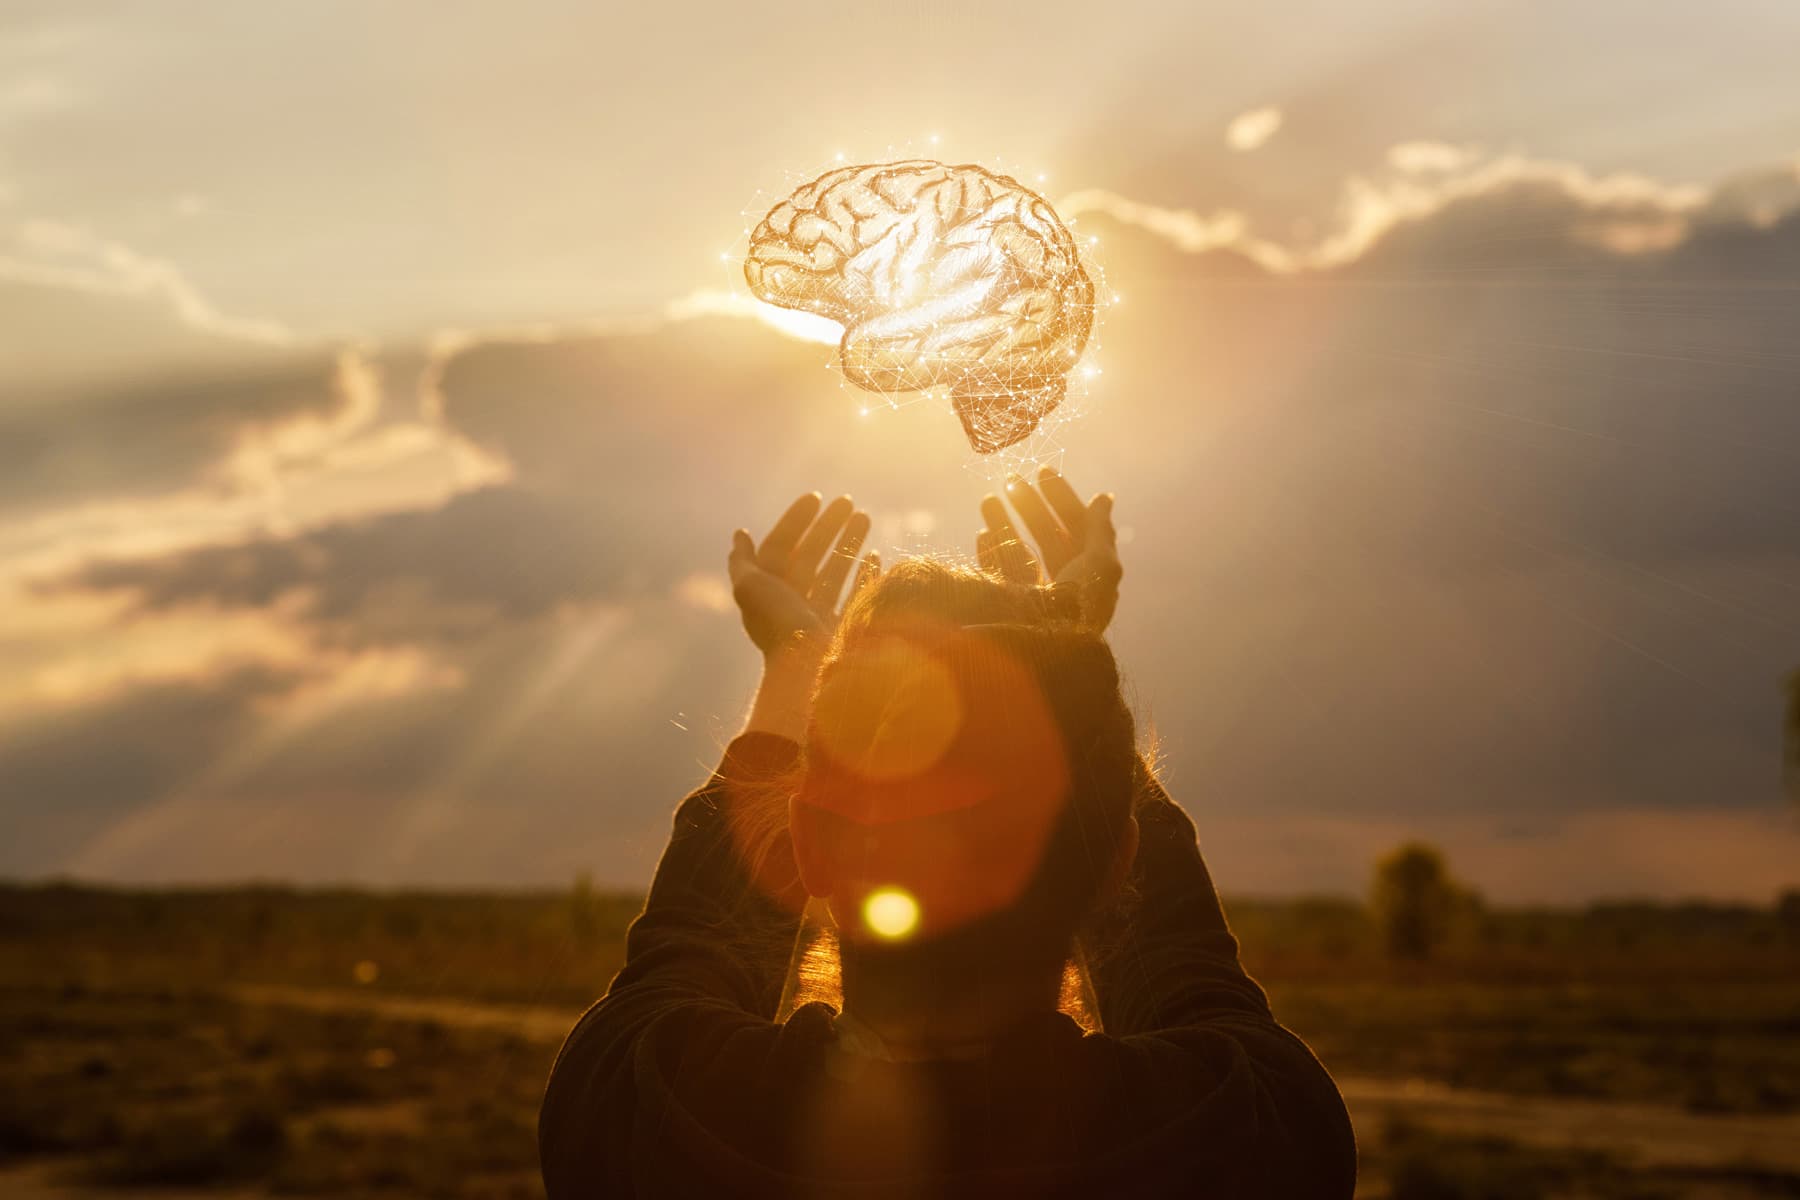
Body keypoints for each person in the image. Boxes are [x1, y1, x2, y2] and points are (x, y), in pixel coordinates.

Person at [539, 468, 1356, 1198]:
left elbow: (687, 945)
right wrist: (1063, 657)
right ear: (1120, 864)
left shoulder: (646, 1111)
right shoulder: (1252, 1132)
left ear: (805, 846)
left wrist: (798, 657)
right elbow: (1188, 967)